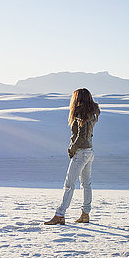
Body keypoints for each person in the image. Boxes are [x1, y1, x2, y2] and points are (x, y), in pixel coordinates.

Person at [45, 88, 100, 225]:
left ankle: (60, 215)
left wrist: (71, 149)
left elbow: (80, 136)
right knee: (86, 184)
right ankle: (85, 214)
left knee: (69, 184)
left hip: (81, 152)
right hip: (89, 151)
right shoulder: (92, 112)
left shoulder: (80, 112)